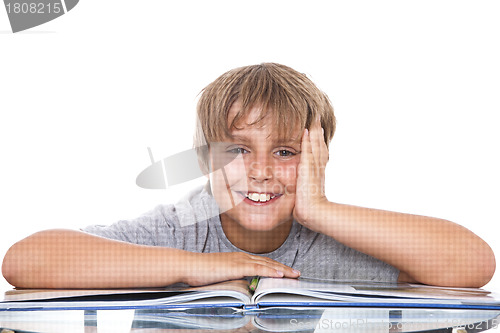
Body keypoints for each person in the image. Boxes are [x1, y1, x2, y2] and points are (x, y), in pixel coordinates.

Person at [2, 63, 495, 289]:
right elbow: (27, 260)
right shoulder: (182, 226)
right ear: (202, 160)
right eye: (236, 150)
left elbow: (472, 264)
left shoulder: (330, 236)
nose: (259, 171)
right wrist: (194, 266)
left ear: (318, 160)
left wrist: (319, 209)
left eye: (284, 151)